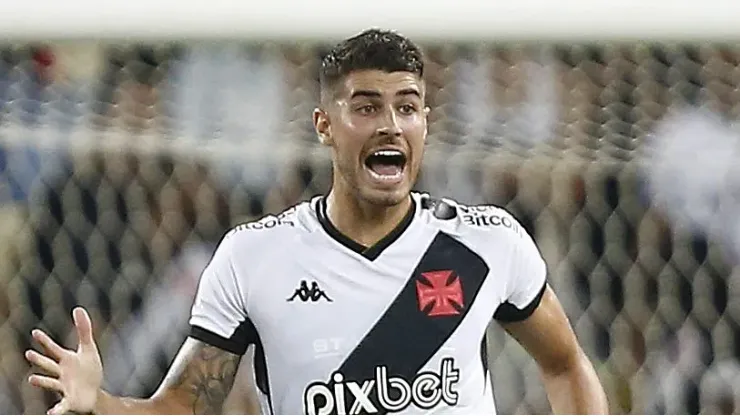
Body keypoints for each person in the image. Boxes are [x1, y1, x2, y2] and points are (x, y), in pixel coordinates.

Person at [25, 29, 608, 415]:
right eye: (366, 107)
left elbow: (566, 365)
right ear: (324, 125)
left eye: (407, 108)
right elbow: (179, 408)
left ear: (426, 124)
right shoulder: (253, 258)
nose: (390, 125)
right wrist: (96, 402)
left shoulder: (486, 243)